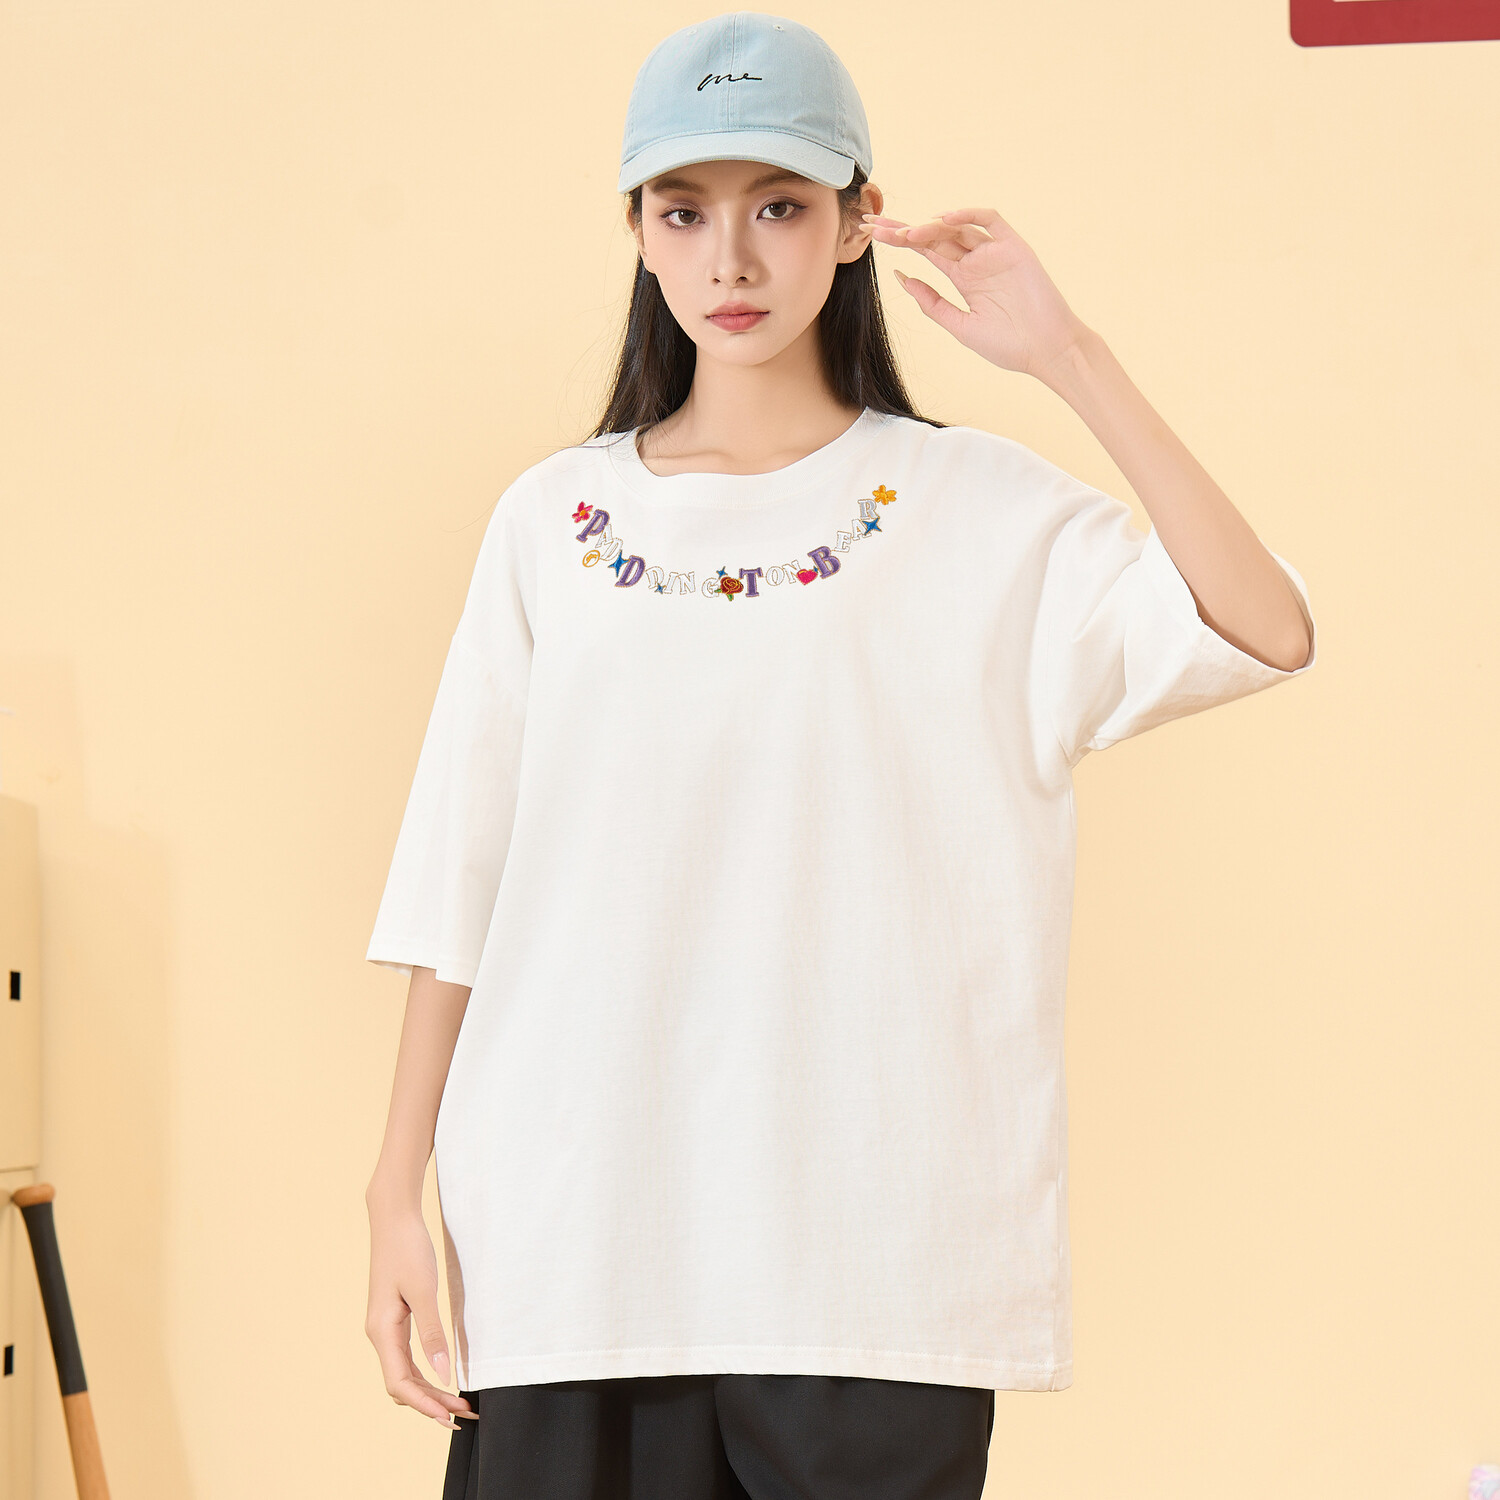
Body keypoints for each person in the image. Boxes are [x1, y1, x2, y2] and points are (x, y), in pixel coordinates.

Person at [362, 12, 1319, 1500]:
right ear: (638, 232)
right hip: (571, 1236)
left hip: (871, 1266)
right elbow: (458, 876)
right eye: (685, 211)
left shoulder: (976, 511)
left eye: (780, 207)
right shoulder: (552, 523)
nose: (730, 260)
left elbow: (1263, 625)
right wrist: (393, 1190)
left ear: (859, 221)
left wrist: (1070, 358)